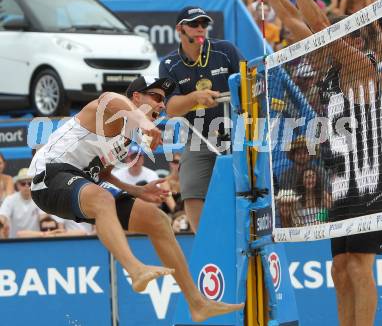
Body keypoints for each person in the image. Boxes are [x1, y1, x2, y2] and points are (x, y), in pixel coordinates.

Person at [230, 0, 379, 326]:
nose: (334, 39)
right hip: (343, 179)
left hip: (371, 179)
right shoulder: (331, 67)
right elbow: (293, 20)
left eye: (346, 35)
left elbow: (323, 28)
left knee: (360, 267)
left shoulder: (364, 67)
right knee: (340, 269)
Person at [27, 76, 244, 321]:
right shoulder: (114, 107)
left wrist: (138, 191)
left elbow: (103, 171)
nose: (162, 105)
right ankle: (135, 269)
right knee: (102, 200)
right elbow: (109, 98)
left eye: (164, 101)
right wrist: (144, 122)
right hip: (47, 176)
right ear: (136, 97)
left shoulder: (129, 138)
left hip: (78, 180)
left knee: (157, 219)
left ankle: (197, 303)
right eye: (157, 98)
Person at [159, 6, 244, 232]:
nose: (200, 29)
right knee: (192, 193)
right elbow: (171, 108)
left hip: (235, 133)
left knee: (247, 189)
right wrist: (196, 97)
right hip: (199, 136)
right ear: (180, 29)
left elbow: (249, 84)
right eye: (194, 24)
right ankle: (205, 243)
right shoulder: (169, 65)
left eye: (203, 24)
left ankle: (246, 235)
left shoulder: (225, 51)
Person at [0, 168, 45, 238]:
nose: (26, 186)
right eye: (23, 183)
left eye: (29, 183)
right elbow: (2, 217)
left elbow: (43, 218)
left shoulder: (40, 199)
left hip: (36, 241)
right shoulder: (10, 199)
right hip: (14, 243)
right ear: (17, 185)